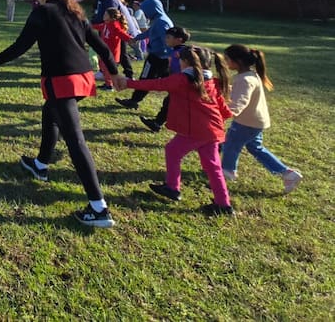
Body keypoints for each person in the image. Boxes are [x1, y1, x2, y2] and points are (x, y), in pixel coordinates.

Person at [0, 0, 120, 228]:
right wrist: (115, 71)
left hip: (63, 82)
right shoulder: (75, 10)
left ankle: (98, 207)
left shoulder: (42, 11)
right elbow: (100, 45)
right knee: (50, 113)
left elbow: (21, 45)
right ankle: (40, 164)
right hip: (82, 79)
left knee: (75, 140)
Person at [117, 46, 235, 216]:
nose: (177, 61)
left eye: (180, 59)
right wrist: (226, 114)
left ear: (186, 62)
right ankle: (223, 205)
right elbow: (221, 106)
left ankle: (172, 187)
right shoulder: (212, 81)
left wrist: (128, 82)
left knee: (172, 150)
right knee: (213, 167)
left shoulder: (181, 80)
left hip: (197, 131)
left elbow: (155, 84)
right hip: (214, 130)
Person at [221, 44, 303, 193]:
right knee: (255, 148)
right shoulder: (250, 75)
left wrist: (227, 113)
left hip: (246, 123)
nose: (225, 62)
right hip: (256, 121)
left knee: (231, 144)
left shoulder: (245, 79)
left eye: (227, 59)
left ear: (237, 61)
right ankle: (288, 174)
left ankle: (227, 172)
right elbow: (241, 93)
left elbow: (241, 100)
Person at [115, 0, 173, 110]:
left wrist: (171, 56)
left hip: (158, 57)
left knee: (145, 79)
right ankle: (134, 100)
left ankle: (134, 101)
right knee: (165, 81)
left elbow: (167, 41)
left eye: (146, 10)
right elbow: (150, 32)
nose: (145, 13)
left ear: (152, 9)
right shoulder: (160, 19)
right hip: (161, 57)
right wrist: (137, 38)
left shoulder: (161, 22)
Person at [140, 27, 190, 132]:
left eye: (168, 37)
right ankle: (157, 123)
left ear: (179, 39)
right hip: (177, 85)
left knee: (177, 106)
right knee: (168, 103)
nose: (165, 39)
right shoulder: (176, 51)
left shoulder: (182, 53)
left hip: (182, 85)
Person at [92, 0, 139, 78]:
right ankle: (104, 72)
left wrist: (130, 39)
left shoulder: (110, 0)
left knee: (121, 53)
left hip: (114, 31)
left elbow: (112, 14)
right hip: (109, 28)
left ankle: (128, 74)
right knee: (107, 52)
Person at [92, 8, 132, 90]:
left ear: (112, 17)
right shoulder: (106, 24)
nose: (103, 16)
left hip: (112, 53)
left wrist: (130, 39)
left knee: (107, 69)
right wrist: (88, 26)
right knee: (103, 67)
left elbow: (120, 33)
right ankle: (107, 83)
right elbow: (99, 26)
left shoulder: (114, 25)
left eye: (106, 15)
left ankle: (110, 86)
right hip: (104, 51)